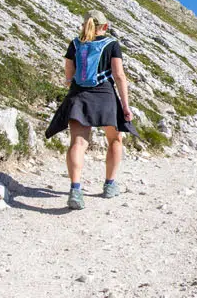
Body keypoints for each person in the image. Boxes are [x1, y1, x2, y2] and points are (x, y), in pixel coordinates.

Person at [44, 11, 133, 209]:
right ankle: (110, 185)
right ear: (105, 26)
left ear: (85, 24)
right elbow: (119, 75)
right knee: (115, 139)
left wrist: (76, 91)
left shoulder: (75, 44)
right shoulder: (111, 44)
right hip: (105, 95)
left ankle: (75, 189)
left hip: (79, 95)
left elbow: (68, 75)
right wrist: (125, 106)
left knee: (78, 143)